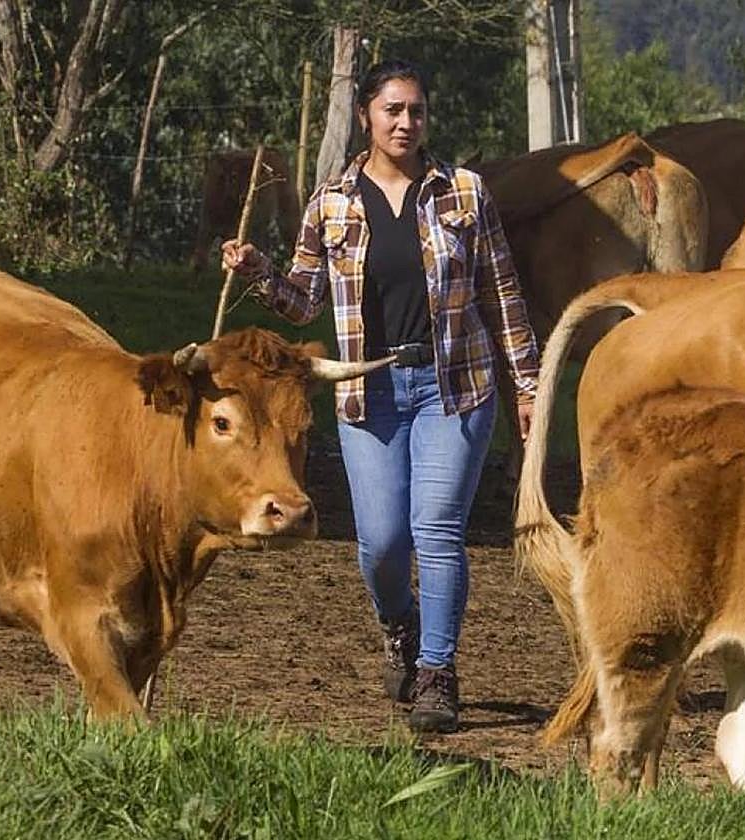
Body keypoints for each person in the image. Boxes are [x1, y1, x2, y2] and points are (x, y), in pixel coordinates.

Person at [222, 60, 539, 733]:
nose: (405, 123)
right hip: (369, 391)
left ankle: (437, 673)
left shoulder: (465, 193)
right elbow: (304, 303)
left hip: (456, 386)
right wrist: (258, 271)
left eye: (416, 111)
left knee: (438, 530)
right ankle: (400, 625)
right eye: (392, 110)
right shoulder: (331, 201)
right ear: (367, 114)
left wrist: (528, 386)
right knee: (382, 543)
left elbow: (502, 293)